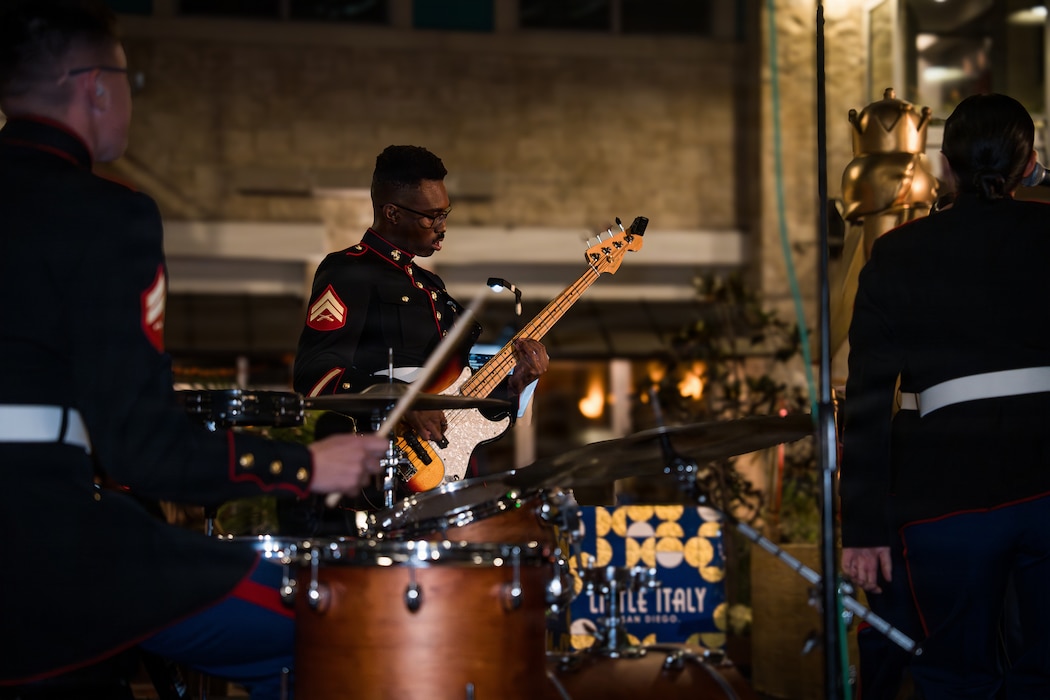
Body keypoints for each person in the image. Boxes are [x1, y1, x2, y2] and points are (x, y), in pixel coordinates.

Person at [0, 2, 388, 697]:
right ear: (95, 87)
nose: (129, 99)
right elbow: (144, 451)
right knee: (342, 623)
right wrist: (306, 465)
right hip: (44, 557)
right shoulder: (106, 216)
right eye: (130, 81)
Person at [840, 93, 1050, 699]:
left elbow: (868, 403)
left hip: (951, 495)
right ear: (1027, 164)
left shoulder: (900, 252)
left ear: (946, 168)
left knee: (957, 677)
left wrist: (864, 531)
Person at [291, 145, 548, 517]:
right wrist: (400, 400)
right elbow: (315, 376)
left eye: (445, 213)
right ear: (391, 212)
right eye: (431, 217)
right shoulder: (348, 271)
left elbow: (464, 413)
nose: (442, 226)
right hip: (382, 480)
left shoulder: (432, 285)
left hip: (451, 478)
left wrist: (515, 386)